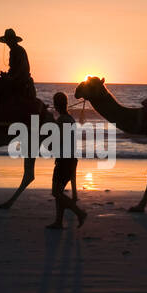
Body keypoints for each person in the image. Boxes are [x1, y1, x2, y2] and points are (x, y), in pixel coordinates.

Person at [46, 92, 87, 230]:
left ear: (56, 105)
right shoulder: (69, 119)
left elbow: (58, 141)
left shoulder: (63, 120)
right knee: (59, 193)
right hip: (69, 160)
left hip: (65, 161)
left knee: (56, 193)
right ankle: (58, 222)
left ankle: (80, 213)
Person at [0, 28, 34, 98]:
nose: (7, 43)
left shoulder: (18, 50)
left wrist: (12, 78)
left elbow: (22, 67)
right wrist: (7, 75)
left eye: (8, 40)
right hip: (17, 77)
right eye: (7, 40)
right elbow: (14, 68)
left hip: (21, 79)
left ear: (13, 40)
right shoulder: (13, 51)